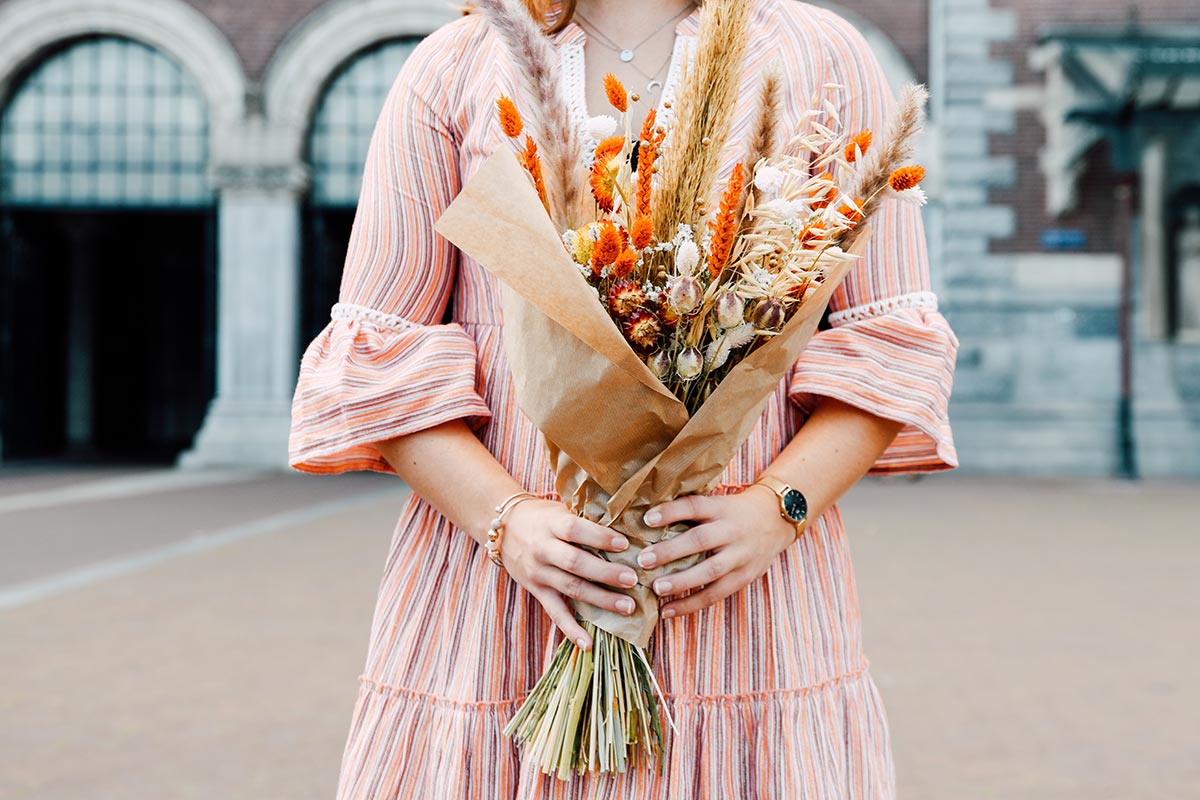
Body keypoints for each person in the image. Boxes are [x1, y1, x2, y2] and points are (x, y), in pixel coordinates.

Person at [288, 0, 959, 796]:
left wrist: (775, 509)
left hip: (743, 601)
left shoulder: (825, 54)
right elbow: (379, 355)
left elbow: (887, 341)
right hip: (505, 597)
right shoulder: (453, 66)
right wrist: (509, 523)